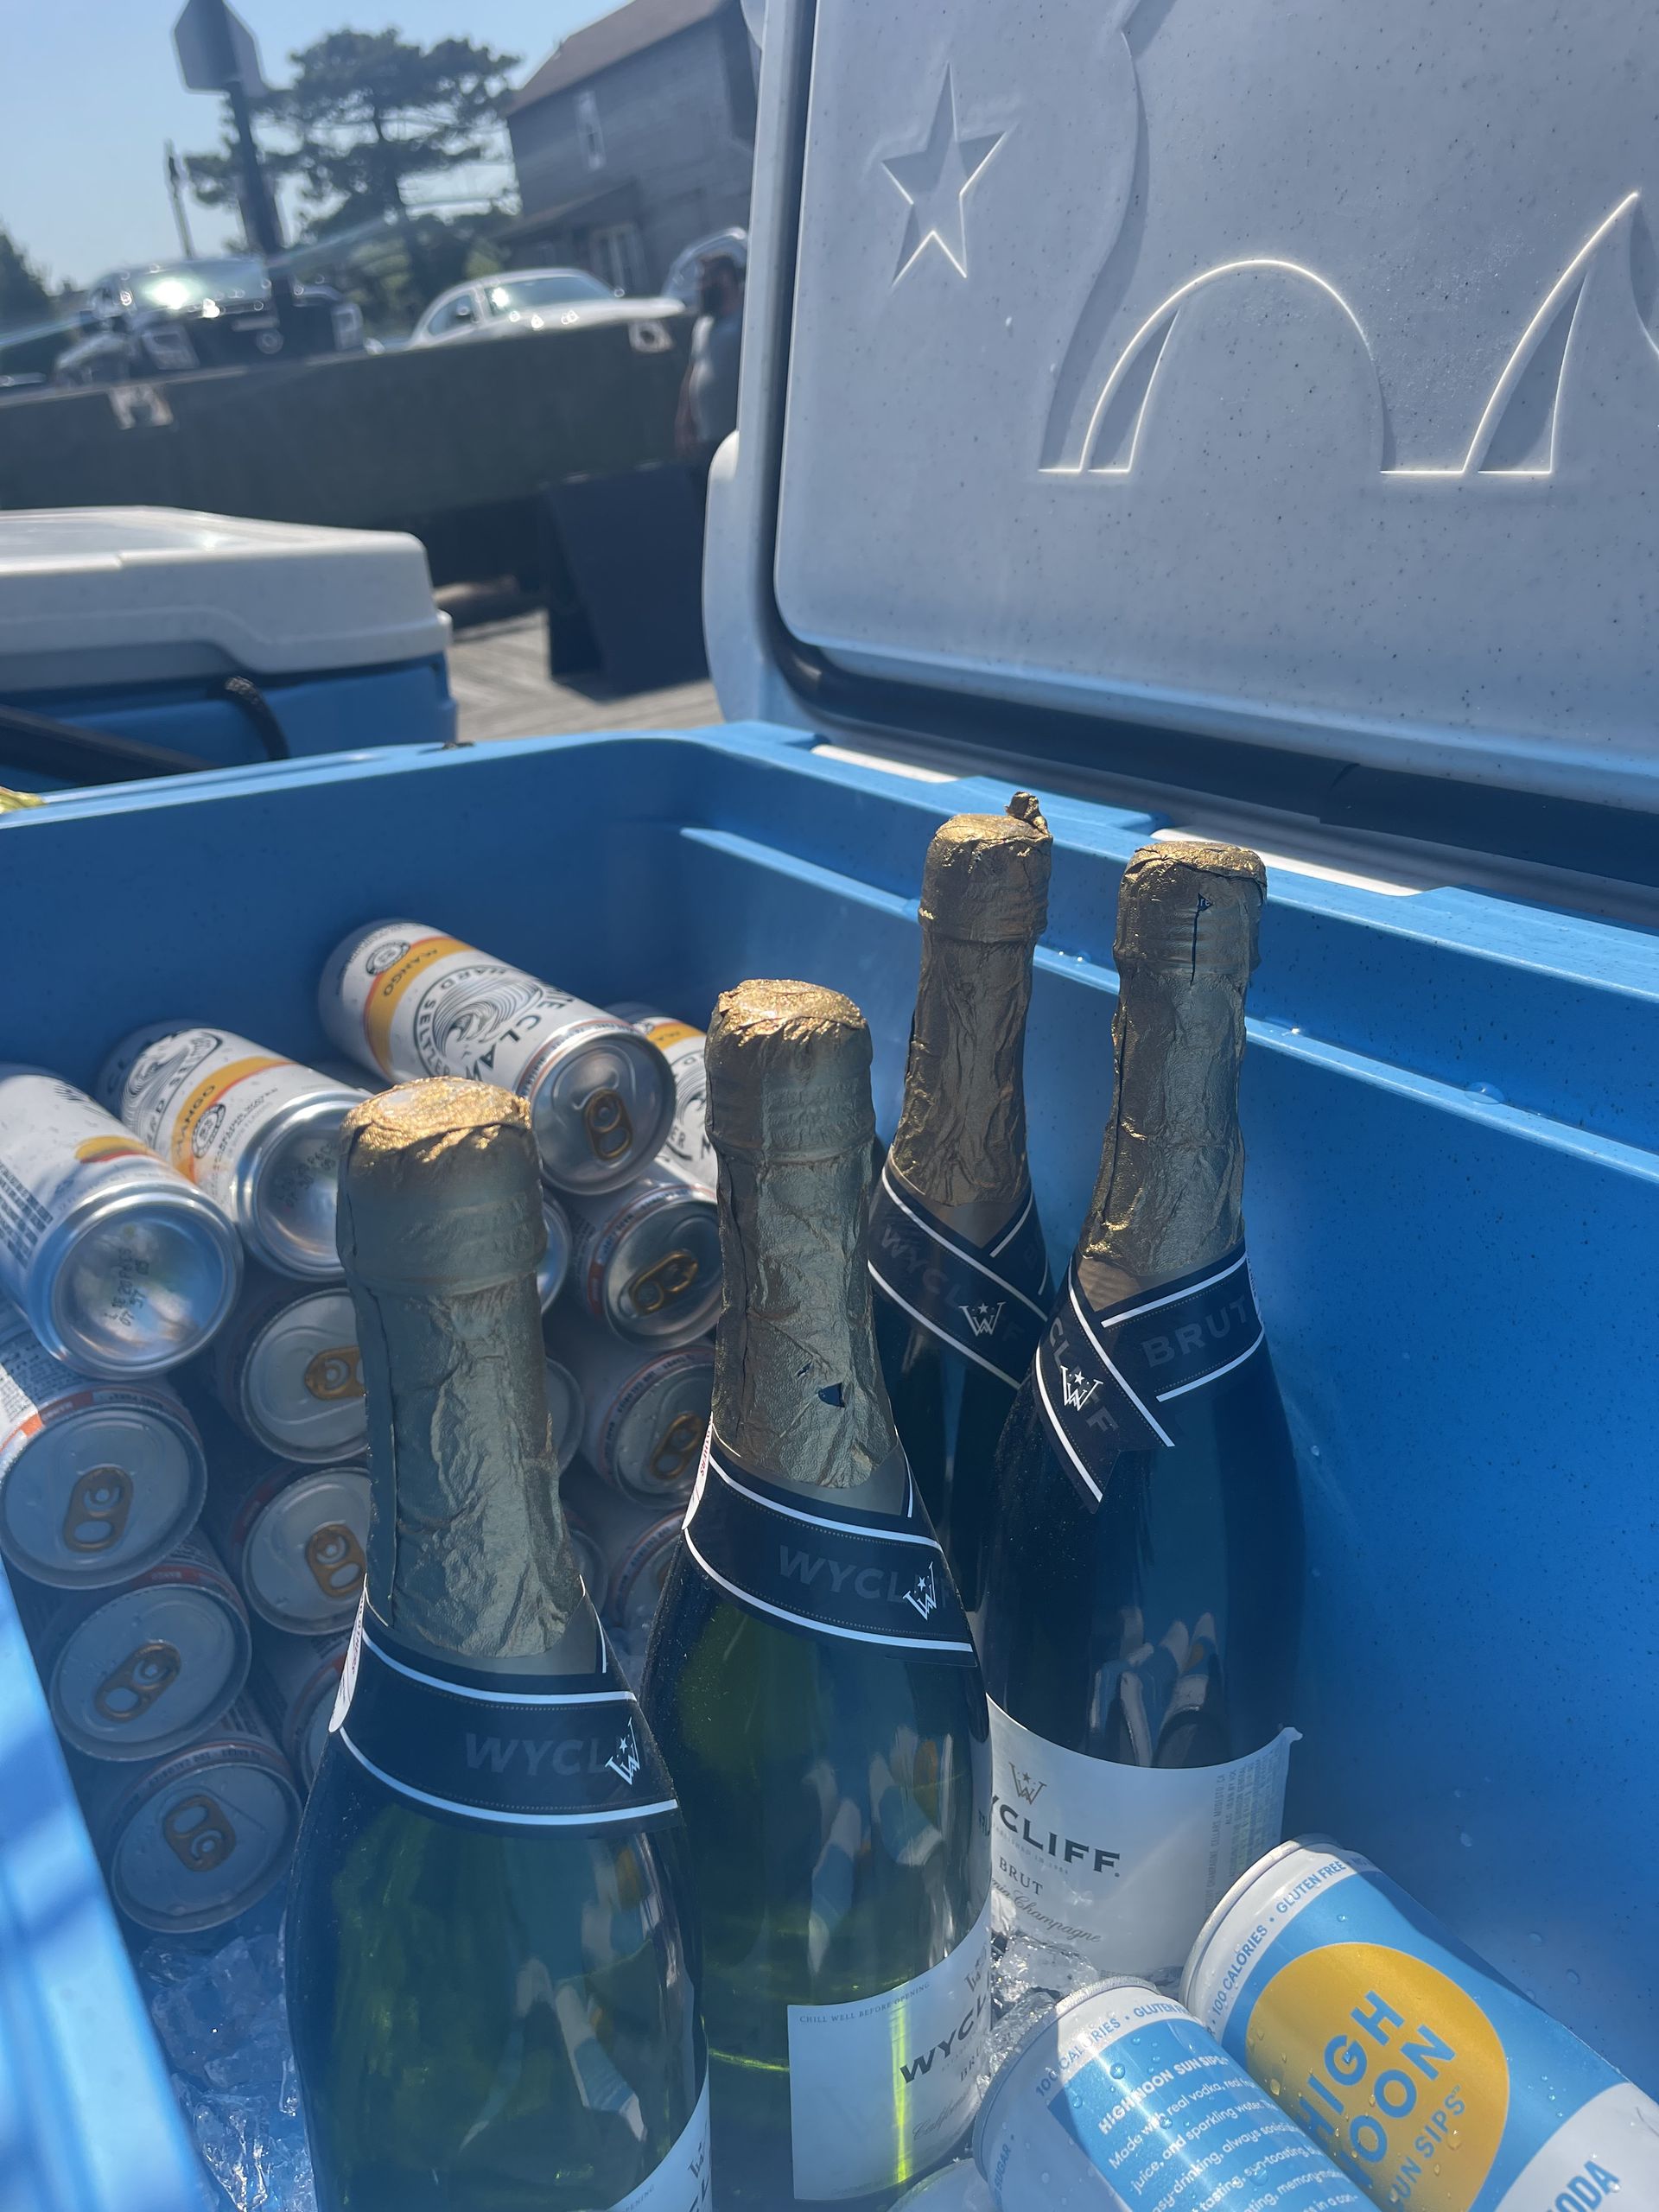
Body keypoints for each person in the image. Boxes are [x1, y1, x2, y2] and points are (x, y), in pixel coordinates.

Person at [676, 251, 744, 465]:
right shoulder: (703, 325)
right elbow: (693, 370)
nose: (700, 287)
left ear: (724, 278)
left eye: (705, 279)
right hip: (708, 438)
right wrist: (684, 421)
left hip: (738, 434)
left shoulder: (745, 320)